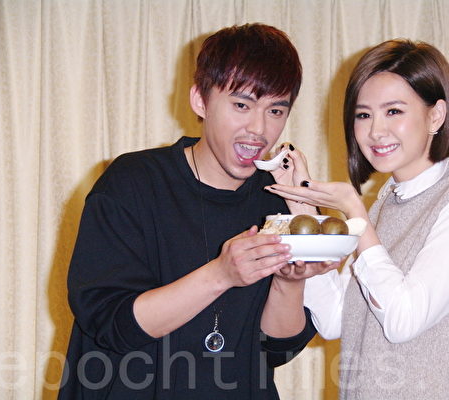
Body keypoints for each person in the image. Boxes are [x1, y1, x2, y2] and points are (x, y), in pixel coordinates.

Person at [58, 23, 333, 399]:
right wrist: (221, 274)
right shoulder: (132, 182)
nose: (259, 128)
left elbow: (275, 350)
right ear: (200, 100)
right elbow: (112, 325)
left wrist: (289, 282)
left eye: (275, 110)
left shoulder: (277, 200)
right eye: (241, 105)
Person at [265, 39, 449, 399]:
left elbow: (402, 320)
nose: (375, 131)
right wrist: (301, 202)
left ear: (436, 115)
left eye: (393, 111)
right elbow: (334, 320)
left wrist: (354, 211)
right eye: (363, 115)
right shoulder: (384, 204)